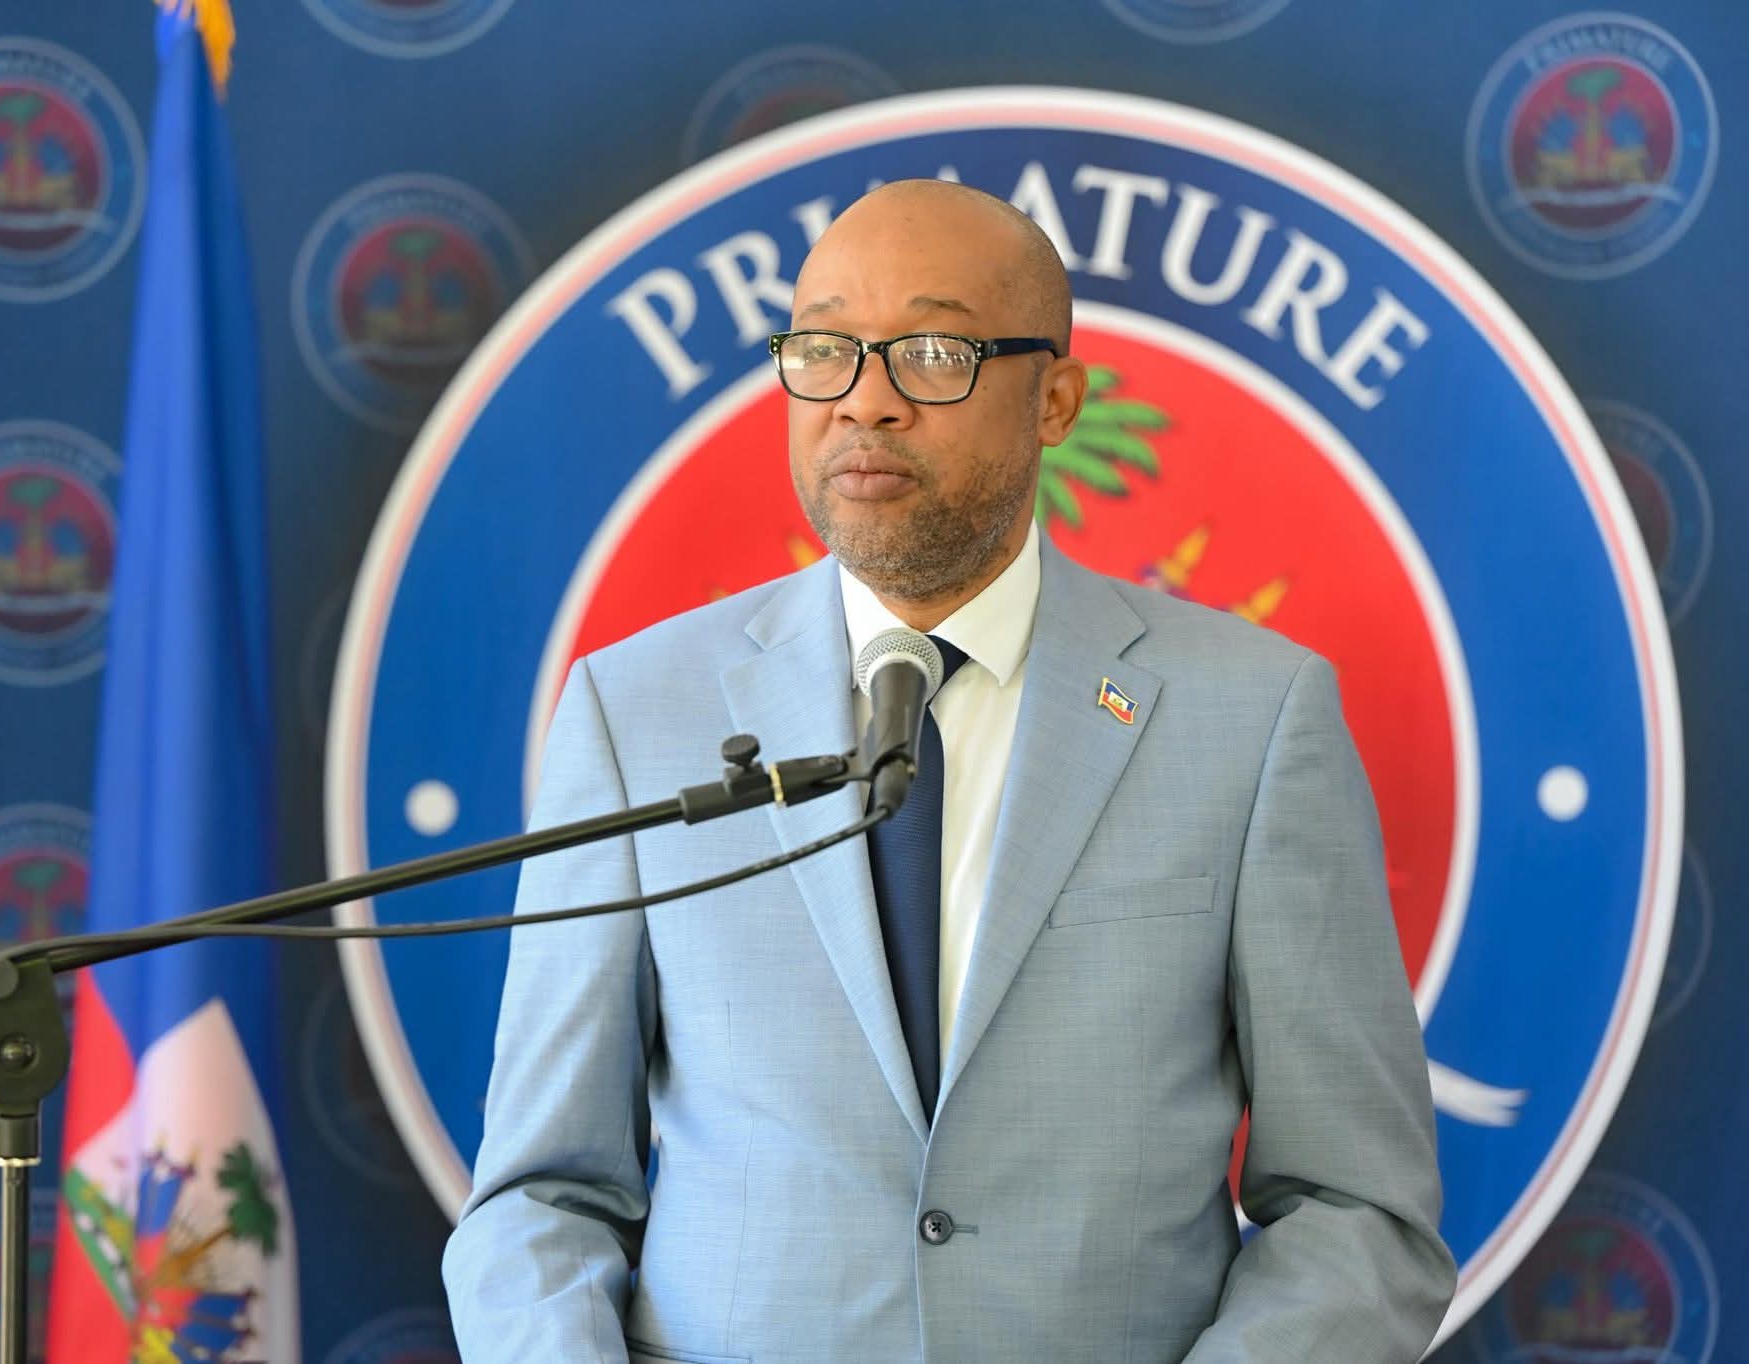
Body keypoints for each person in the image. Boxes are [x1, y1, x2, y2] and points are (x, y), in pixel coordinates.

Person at [442, 179, 1455, 1362]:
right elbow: (540, 1195)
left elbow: (1354, 1210)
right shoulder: (634, 711)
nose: (863, 399)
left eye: (932, 353)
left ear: (1054, 400)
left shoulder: (1252, 716)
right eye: (822, 349)